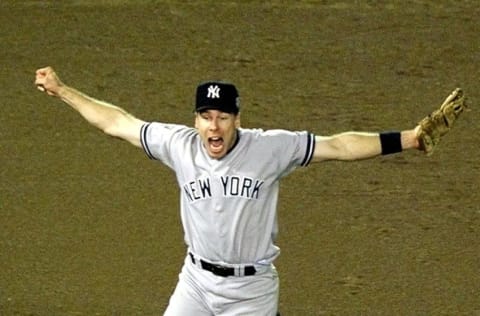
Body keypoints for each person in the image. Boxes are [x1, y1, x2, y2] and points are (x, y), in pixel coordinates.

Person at [35, 66, 421, 315]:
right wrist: (63, 90)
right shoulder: (178, 144)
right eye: (206, 116)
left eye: (222, 117)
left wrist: (409, 139)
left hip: (251, 291)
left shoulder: (270, 148)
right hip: (197, 284)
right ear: (196, 119)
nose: (214, 127)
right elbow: (117, 123)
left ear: (238, 119)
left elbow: (338, 145)